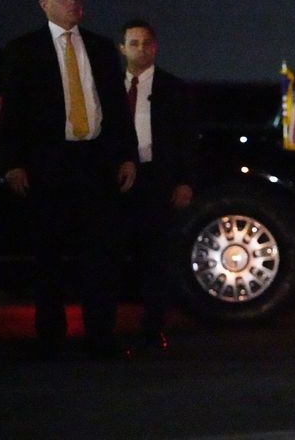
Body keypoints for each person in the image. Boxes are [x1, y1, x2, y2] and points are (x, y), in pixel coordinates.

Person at [0, 0, 138, 359]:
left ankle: (101, 336)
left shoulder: (99, 47)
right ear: (44, 4)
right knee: (48, 253)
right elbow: (13, 112)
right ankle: (50, 337)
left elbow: (116, 107)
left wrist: (126, 155)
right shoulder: (23, 50)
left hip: (94, 161)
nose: (73, 2)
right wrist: (13, 163)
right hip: (48, 164)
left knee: (100, 253)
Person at [118, 19, 194, 353]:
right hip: (117, 179)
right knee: (114, 254)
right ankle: (106, 330)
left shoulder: (173, 88)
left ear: (155, 47)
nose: (140, 49)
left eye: (146, 43)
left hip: (156, 179)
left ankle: (152, 328)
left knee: (155, 256)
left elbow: (186, 139)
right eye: (133, 43)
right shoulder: (107, 87)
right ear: (122, 48)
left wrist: (185, 181)